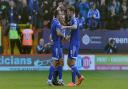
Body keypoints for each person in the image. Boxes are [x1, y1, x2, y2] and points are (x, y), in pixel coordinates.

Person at [62, 6, 84, 87]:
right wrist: (68, 37)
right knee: (68, 62)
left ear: (71, 11)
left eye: (68, 11)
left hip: (74, 44)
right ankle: (79, 76)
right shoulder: (72, 20)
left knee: (72, 62)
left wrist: (65, 27)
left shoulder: (74, 19)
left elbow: (75, 26)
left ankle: (73, 82)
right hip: (73, 43)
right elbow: (73, 31)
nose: (67, 13)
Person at [47, 10, 65, 86]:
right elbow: (58, 33)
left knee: (60, 62)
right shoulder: (57, 23)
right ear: (57, 15)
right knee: (54, 63)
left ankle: (60, 80)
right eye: (60, 14)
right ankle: (49, 80)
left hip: (57, 45)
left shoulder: (53, 22)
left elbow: (51, 35)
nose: (61, 15)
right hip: (57, 45)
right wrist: (64, 35)